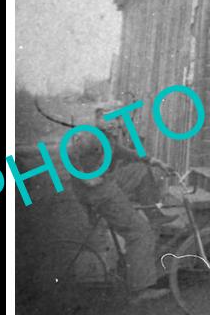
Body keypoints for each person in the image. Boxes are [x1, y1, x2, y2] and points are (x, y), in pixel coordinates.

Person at [62, 103, 175, 302]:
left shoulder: (107, 138)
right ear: (98, 119)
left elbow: (128, 153)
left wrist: (154, 161)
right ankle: (140, 290)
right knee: (140, 233)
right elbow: (68, 153)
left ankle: (154, 215)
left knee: (139, 170)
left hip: (101, 188)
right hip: (99, 193)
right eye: (110, 118)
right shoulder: (92, 137)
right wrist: (86, 178)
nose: (115, 123)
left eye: (117, 118)